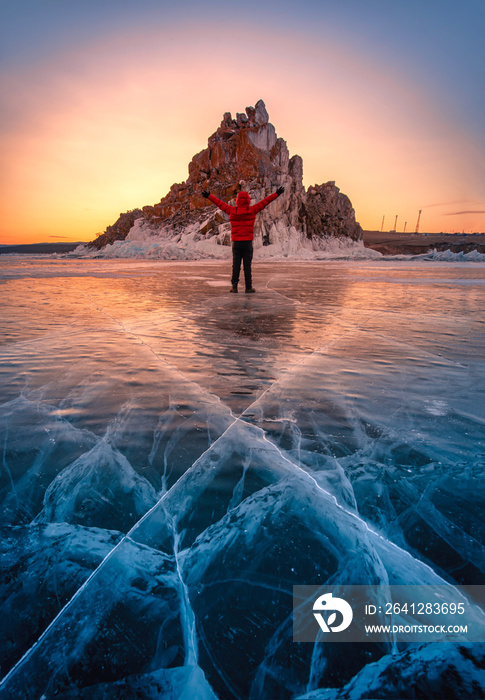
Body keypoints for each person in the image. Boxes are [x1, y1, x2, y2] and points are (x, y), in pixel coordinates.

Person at [202, 186, 284, 293]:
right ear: (248, 200)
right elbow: (265, 202)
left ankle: (234, 287)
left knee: (235, 265)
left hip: (236, 243)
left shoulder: (232, 210)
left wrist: (209, 196)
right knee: (247, 266)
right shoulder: (252, 210)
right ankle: (248, 287)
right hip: (247, 243)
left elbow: (220, 204)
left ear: (237, 201)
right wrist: (276, 194)